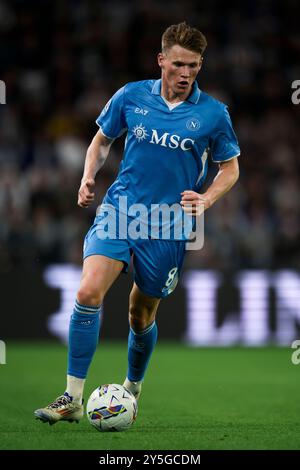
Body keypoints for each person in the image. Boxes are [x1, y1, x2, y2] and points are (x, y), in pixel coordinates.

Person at [34, 22, 240, 425]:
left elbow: (230, 168)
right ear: (161, 60)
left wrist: (208, 198)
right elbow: (101, 140)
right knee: (89, 290)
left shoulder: (214, 114)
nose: (186, 74)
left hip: (169, 225)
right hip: (120, 211)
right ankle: (72, 397)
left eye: (194, 67)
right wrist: (88, 175)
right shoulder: (131, 95)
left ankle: (133, 387)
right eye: (178, 64)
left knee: (140, 315)